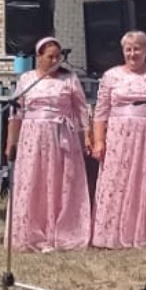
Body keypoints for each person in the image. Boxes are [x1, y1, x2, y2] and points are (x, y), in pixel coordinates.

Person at [91, 30, 146, 248]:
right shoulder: (111, 75)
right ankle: (110, 233)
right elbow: (100, 112)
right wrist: (99, 141)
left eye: (137, 49)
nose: (132, 54)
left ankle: (144, 232)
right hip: (118, 137)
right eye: (128, 49)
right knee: (116, 180)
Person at [5, 37, 91, 252]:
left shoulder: (69, 79)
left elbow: (81, 110)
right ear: (39, 57)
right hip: (33, 137)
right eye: (50, 56)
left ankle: (61, 230)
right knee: (34, 179)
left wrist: (87, 136)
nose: (54, 61)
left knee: (60, 180)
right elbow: (16, 113)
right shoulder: (27, 79)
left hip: (62, 135)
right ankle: (32, 231)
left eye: (57, 57)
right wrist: (10, 142)